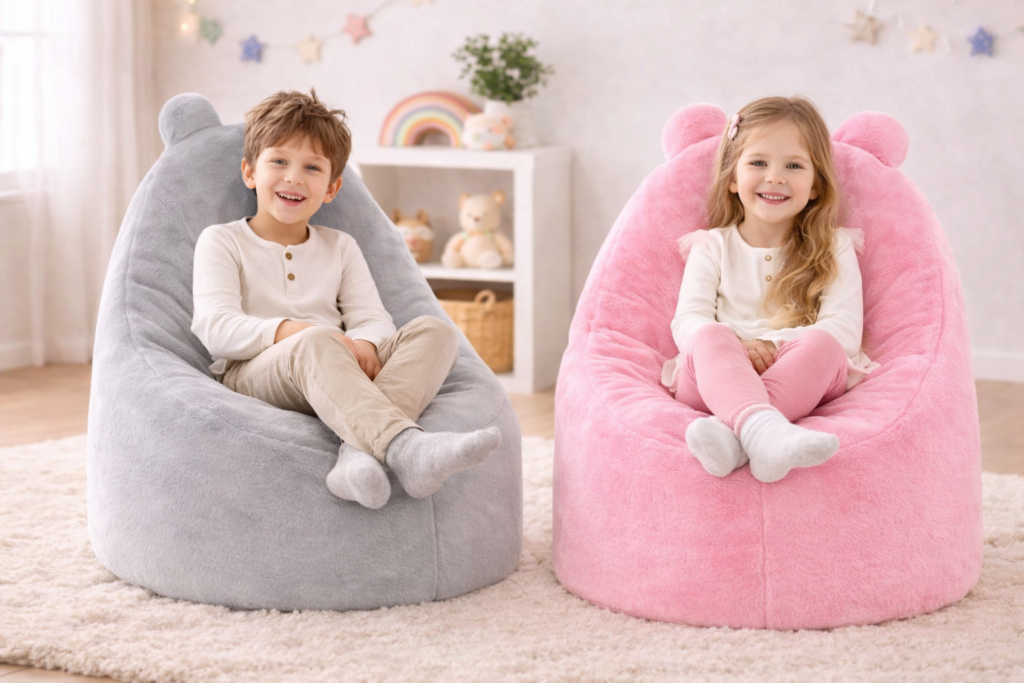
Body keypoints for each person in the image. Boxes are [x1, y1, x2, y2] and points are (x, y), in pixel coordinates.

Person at [191, 89, 500, 509]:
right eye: (278, 161)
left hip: (339, 364)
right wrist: (297, 331)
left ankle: (357, 456)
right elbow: (215, 327)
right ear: (250, 172)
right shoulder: (222, 240)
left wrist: (367, 344)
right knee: (314, 339)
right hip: (254, 372)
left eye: (312, 167)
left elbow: (372, 316)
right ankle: (406, 448)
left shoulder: (340, 245)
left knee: (436, 332)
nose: (294, 177)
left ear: (332, 187)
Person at [662, 95, 880, 483]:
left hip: (798, 375)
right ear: (732, 178)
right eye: (758, 163)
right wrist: (738, 347)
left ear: (815, 185)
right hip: (714, 377)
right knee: (708, 335)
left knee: (825, 344)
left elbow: (844, 329)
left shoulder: (834, 246)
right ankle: (764, 434)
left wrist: (773, 348)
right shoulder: (711, 246)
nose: (775, 177)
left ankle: (735, 437)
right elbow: (688, 320)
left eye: (793, 165)